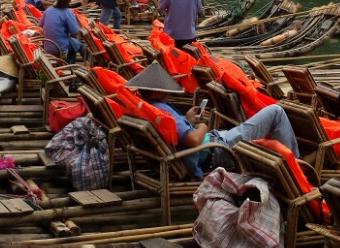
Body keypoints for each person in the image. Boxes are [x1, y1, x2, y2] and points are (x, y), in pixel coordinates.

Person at [125, 63, 300, 178]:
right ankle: (296, 167)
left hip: (215, 143)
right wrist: (202, 126)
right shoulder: (161, 111)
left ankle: (289, 159)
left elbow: (175, 131)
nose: (168, 93)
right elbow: (193, 140)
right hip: (218, 150)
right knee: (276, 111)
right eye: (165, 90)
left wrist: (187, 119)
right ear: (156, 92)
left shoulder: (149, 109)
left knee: (255, 122)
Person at [39, 0, 83, 64]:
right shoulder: (67, 12)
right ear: (70, 0)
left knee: (73, 45)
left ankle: (66, 67)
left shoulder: (48, 10)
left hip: (48, 46)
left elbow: (40, 25)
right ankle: (70, 68)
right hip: (60, 47)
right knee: (78, 47)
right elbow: (75, 31)